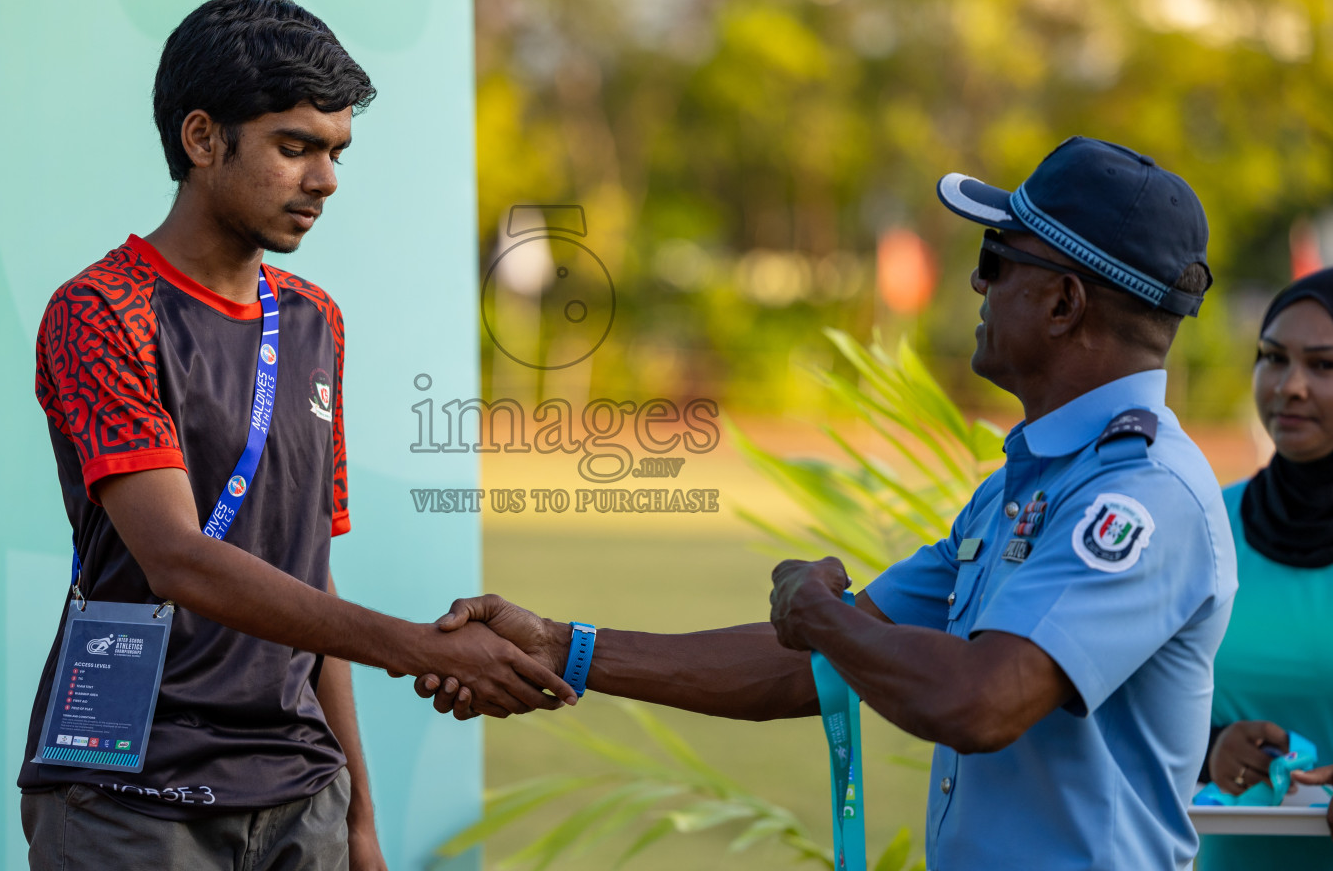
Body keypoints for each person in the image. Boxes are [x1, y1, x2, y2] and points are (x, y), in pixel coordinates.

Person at [416, 138, 1234, 871]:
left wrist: (820, 617)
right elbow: (814, 667)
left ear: (1063, 302)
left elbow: (980, 702)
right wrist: (561, 648)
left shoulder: (1141, 496)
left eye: (997, 255)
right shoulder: (1029, 482)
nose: (979, 281)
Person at [17, 0, 574, 871]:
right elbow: (177, 558)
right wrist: (424, 649)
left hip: (302, 796)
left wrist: (358, 818)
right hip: (129, 797)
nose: (325, 181)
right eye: (295, 147)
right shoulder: (99, 311)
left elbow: (307, 574)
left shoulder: (315, 321)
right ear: (203, 140)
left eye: (336, 152)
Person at [1199, 268, 1333, 867]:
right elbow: (1136, 700)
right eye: (1273, 358)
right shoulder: (1203, 525)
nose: (1290, 387)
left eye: (1324, 366)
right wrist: (1210, 750)